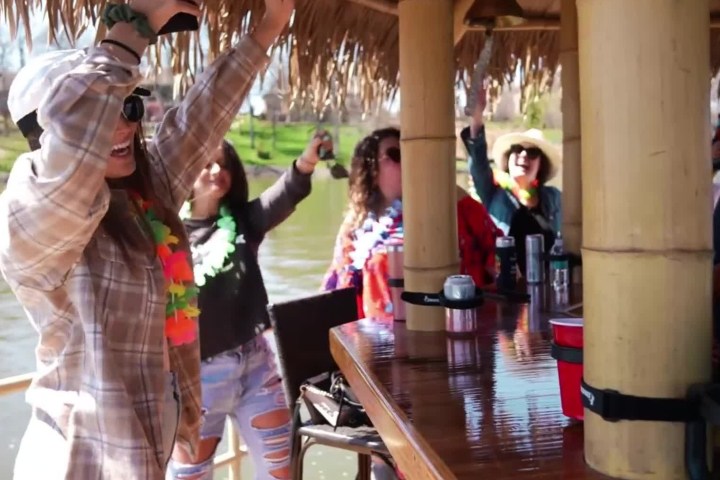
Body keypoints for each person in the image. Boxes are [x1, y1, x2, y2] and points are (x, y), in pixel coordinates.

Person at [0, 0, 294, 478]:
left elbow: (203, 115)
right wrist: (128, 33)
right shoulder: (29, 219)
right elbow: (68, 168)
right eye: (98, 114)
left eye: (128, 105)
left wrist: (268, 29)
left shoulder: (146, 192)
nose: (122, 124)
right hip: (78, 460)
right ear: (46, 137)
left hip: (149, 452)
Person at [167, 136, 322, 479]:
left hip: (256, 367)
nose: (217, 171)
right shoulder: (165, 234)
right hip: (197, 377)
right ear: (186, 172)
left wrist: (306, 162)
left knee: (282, 472)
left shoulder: (243, 221)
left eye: (225, 164)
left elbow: (283, 196)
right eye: (207, 163)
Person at [322, 127, 500, 319]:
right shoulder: (355, 227)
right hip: (377, 342)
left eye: (411, 153)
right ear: (372, 169)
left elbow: (501, 260)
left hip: (460, 328)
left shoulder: (455, 203)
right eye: (396, 154)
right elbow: (336, 298)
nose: (408, 160)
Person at [461, 82, 562, 275]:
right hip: (509, 291)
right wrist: (476, 119)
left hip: (549, 288)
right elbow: (479, 166)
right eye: (518, 150)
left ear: (541, 165)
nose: (523, 155)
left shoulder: (553, 198)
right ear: (509, 159)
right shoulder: (494, 194)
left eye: (532, 152)